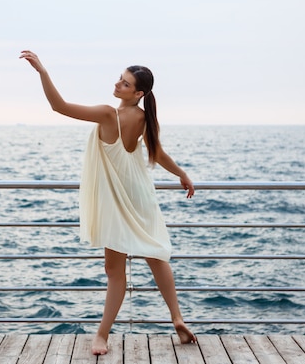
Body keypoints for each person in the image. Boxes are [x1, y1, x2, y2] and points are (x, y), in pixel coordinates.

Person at [20, 50, 197, 355]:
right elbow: (158, 154)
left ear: (138, 93)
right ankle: (177, 318)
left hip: (117, 200)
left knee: (115, 272)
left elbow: (58, 106)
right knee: (156, 256)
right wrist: (182, 174)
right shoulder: (144, 118)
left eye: (125, 84)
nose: (118, 84)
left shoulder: (108, 114)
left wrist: (42, 71)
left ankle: (101, 336)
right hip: (139, 194)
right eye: (120, 79)